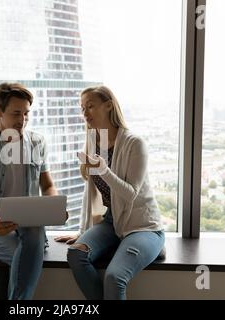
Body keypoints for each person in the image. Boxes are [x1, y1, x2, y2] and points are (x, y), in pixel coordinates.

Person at [55, 85, 165, 300]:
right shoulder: (94, 142)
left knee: (114, 278)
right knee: (77, 254)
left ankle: (150, 246)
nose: (85, 113)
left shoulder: (135, 143)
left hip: (142, 226)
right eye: (82, 108)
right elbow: (91, 193)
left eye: (90, 107)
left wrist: (104, 170)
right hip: (111, 222)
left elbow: (131, 194)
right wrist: (83, 230)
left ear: (108, 106)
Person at [0, 82, 58, 300]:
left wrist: (53, 207)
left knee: (32, 237)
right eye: (16, 113)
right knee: (26, 254)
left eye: (26, 113)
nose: (22, 120)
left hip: (29, 221)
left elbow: (48, 185)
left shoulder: (37, 142)